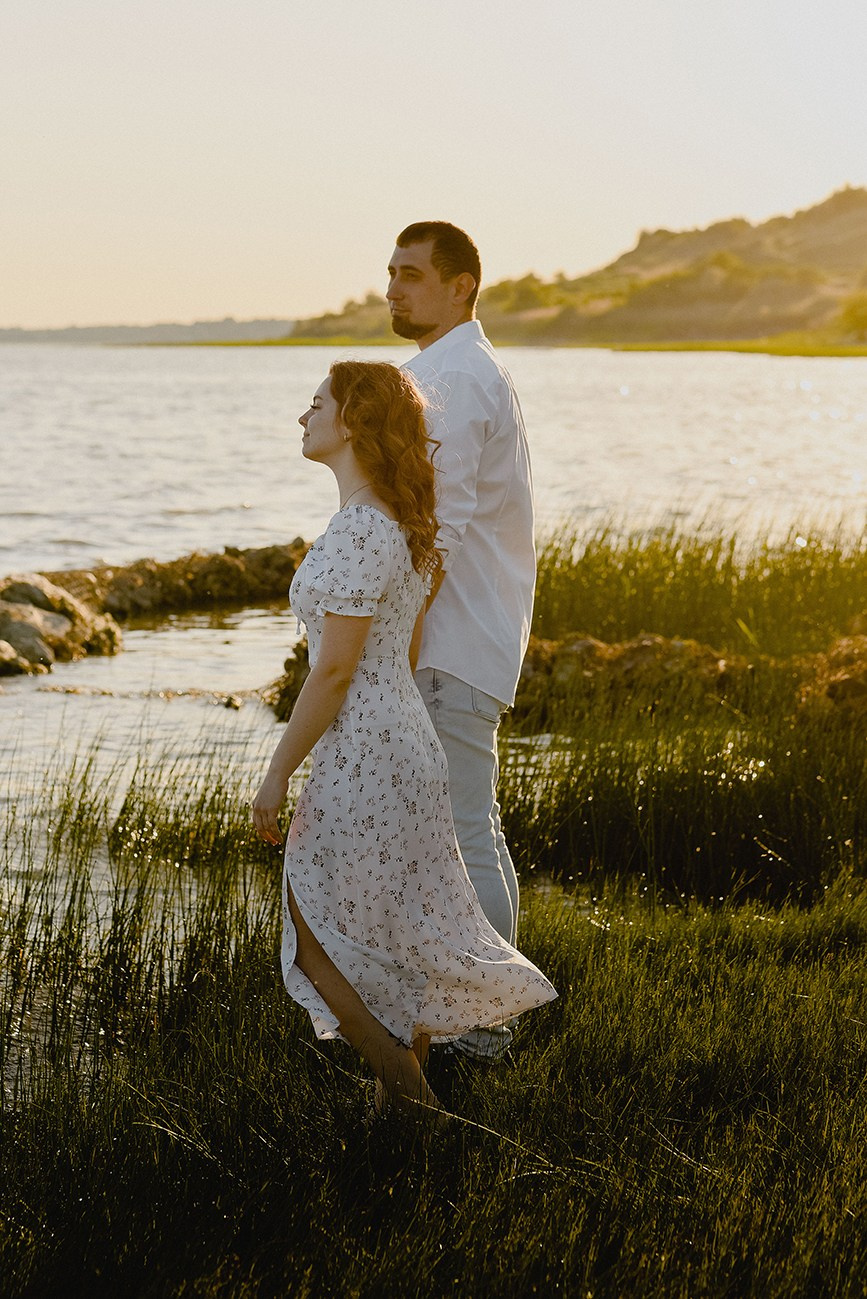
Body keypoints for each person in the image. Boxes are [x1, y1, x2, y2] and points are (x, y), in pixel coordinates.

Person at [251, 360, 555, 1124]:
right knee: (393, 931)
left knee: (313, 932)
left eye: (314, 403)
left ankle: (417, 1104)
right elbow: (405, 647)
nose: (302, 417)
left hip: (366, 745)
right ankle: (396, 1110)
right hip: (397, 736)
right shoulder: (393, 522)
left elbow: (334, 671)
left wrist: (277, 771)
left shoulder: (362, 528)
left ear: (353, 420)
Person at [387, 223, 535, 1056]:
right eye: (390, 273)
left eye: (411, 275)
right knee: (475, 829)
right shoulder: (454, 369)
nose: (392, 289)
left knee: (465, 835)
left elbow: (435, 528)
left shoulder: (454, 377)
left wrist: (398, 640)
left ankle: (481, 1030)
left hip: (447, 639)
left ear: (460, 286)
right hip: (467, 634)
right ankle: (485, 1015)